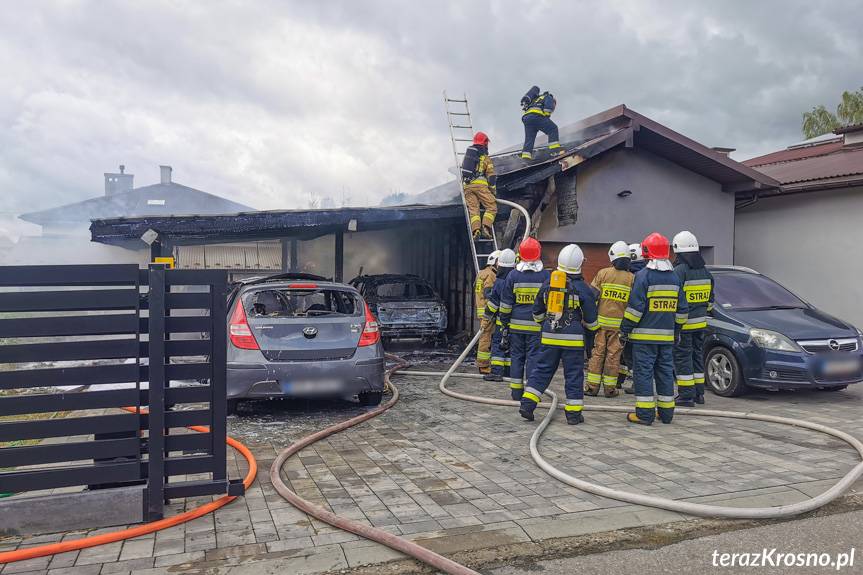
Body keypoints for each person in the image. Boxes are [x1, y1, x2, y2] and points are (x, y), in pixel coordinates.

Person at [519, 244, 598, 424]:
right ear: (580, 263)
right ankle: (573, 414)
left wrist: (545, 324)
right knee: (574, 375)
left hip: (549, 335)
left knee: (542, 370)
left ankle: (527, 404)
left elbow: (537, 311)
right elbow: (592, 321)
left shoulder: (548, 283)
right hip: (574, 340)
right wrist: (592, 332)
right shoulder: (583, 288)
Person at [619, 233, 688, 425]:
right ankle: (666, 414)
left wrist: (624, 330)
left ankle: (644, 414)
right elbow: (682, 310)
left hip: (643, 340)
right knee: (665, 373)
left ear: (646, 252)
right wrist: (676, 331)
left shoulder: (643, 276)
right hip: (666, 340)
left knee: (643, 374)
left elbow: (635, 310)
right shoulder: (674, 277)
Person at [499, 237, 549, 400]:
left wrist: (505, 323)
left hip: (515, 326)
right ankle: (531, 392)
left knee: (517, 357)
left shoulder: (513, 275)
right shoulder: (545, 276)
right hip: (536, 326)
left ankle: (516, 392)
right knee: (534, 358)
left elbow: (506, 304)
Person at [585, 241, 634, 397]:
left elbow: (591, 296)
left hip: (600, 325)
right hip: (619, 327)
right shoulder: (632, 278)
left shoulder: (603, 274)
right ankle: (610, 389)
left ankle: (592, 387)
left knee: (598, 353)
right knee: (613, 356)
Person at [672, 231, 715, 407]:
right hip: (701, 323)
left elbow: (675, 298)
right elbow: (711, 301)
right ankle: (699, 394)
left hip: (684, 325)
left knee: (683, 358)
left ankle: (686, 396)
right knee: (697, 356)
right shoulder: (706, 272)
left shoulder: (679, 271)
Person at [483, 248, 517, 382]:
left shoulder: (500, 281)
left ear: (500, 265)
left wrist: (487, 315)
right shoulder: (516, 279)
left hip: (502, 320)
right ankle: (509, 373)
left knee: (498, 343)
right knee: (510, 346)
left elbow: (494, 303)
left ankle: (496, 372)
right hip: (515, 321)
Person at [620, 243, 646, 394]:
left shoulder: (630, 275)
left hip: (630, 321)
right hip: (644, 322)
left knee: (629, 354)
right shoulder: (645, 273)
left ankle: (635, 384)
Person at [461, 132, 497, 239]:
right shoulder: (486, 158)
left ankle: (476, 230)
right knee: (492, 207)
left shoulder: (468, 156)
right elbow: (491, 177)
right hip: (480, 187)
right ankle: (486, 227)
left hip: (467, 186)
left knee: (473, 209)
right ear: (485, 143)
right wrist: (493, 191)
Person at [475, 250, 500, 375]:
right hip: (488, 311)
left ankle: (483, 364)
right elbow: (489, 294)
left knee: (485, 336)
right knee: (486, 337)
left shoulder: (482, 273)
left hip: (482, 310)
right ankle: (483, 366)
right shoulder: (490, 275)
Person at [520, 86, 561, 160]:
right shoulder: (549, 97)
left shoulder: (536, 99)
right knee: (553, 129)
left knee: (529, 138)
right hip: (536, 116)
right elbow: (548, 108)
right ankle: (554, 151)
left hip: (527, 118)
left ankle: (526, 157)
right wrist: (547, 116)